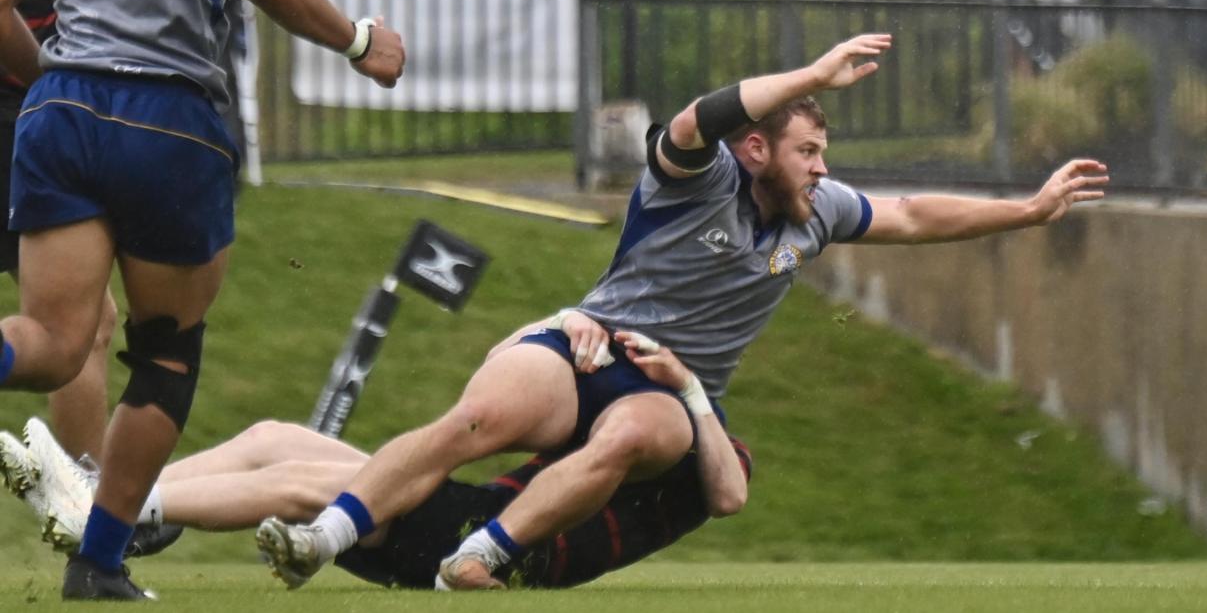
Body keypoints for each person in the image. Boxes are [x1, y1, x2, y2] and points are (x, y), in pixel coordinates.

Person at [260, 32, 1108, 592]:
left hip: (666, 386)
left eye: (825, 154)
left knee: (644, 436)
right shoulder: (696, 178)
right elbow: (702, 115)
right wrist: (811, 74)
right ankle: (326, 539)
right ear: (756, 149)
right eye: (807, 150)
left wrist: (1027, 211)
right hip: (586, 344)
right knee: (482, 417)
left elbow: (917, 214)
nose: (822, 169)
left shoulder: (816, 216)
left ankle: (478, 561)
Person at [0, 0, 405, 599]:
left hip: (63, 111)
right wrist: (357, 38)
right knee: (165, 356)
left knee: (48, 345)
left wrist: (43, 82)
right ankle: (98, 566)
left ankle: (97, 555)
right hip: (169, 117)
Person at [1, 328, 751, 590]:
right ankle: (98, 490)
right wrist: (568, 325)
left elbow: (729, 495)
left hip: (472, 542)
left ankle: (106, 515)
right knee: (273, 436)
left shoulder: (690, 435)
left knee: (301, 484)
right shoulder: (623, 403)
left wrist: (690, 392)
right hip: (466, 511)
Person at [0, 0, 118, 469]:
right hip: (13, 128)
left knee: (86, 324)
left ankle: (89, 503)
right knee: (83, 325)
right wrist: (44, 77)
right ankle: (90, 511)